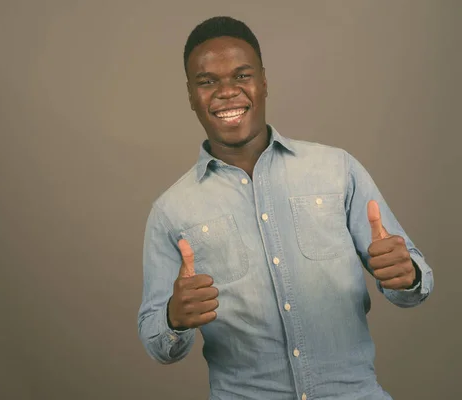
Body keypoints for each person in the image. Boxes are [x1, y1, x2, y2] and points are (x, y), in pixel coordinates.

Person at [137, 16, 434, 400]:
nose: (227, 91)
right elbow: (156, 340)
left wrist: (407, 273)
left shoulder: (336, 169)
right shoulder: (171, 211)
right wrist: (174, 320)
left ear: (263, 82)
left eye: (241, 76)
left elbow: (414, 286)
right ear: (192, 96)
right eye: (207, 82)